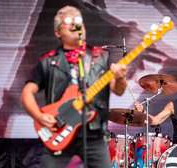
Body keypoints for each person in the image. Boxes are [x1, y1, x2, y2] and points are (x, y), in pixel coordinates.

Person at [21, 5, 127, 168]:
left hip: (93, 134)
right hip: (59, 130)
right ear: (57, 32)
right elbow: (27, 92)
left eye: (78, 21)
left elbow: (118, 90)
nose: (75, 25)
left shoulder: (101, 57)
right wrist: (39, 116)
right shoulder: (48, 61)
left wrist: (120, 78)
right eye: (68, 21)